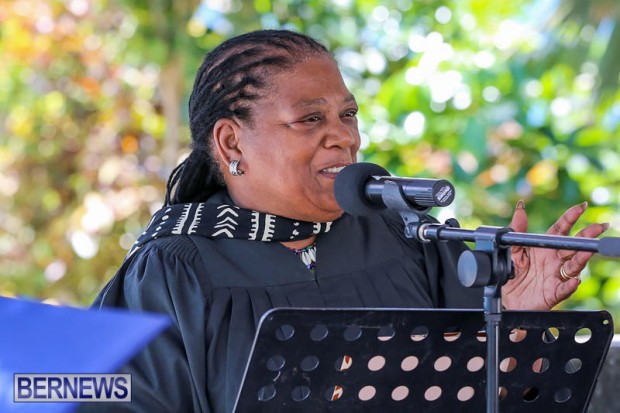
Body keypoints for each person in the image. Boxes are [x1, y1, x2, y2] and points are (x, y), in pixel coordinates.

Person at [90, 29, 608, 412]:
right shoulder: (175, 270)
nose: (345, 137)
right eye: (310, 118)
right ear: (231, 143)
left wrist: (514, 317)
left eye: (348, 114)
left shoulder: (405, 237)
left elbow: (499, 391)